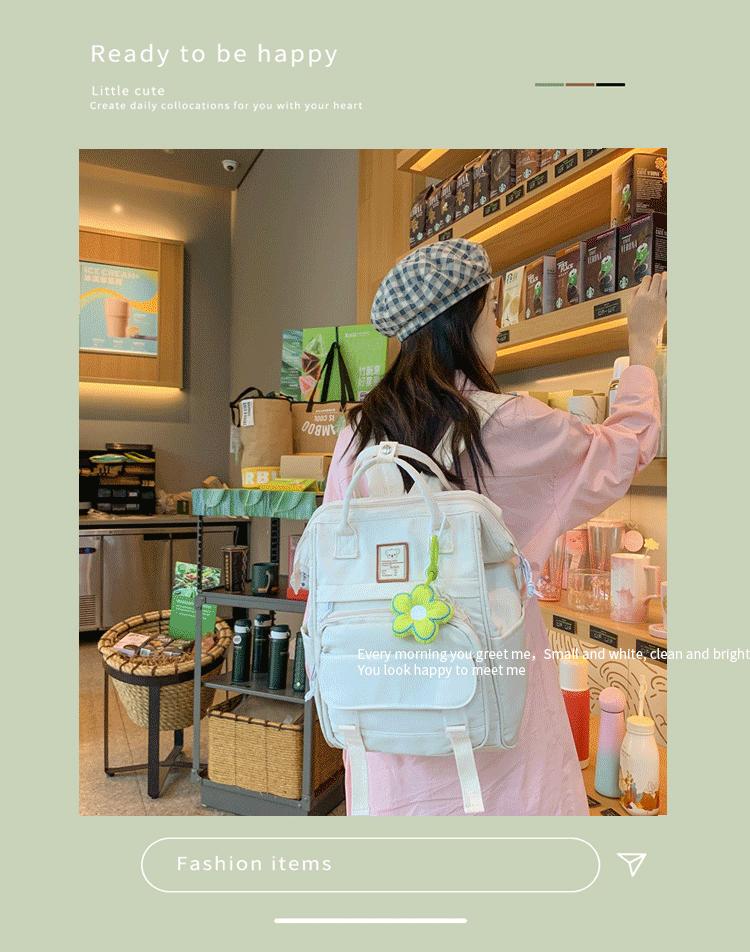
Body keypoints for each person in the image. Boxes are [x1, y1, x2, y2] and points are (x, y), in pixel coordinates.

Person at [323, 238, 666, 816]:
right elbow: (623, 449)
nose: (497, 328)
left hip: (384, 697)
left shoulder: (357, 434)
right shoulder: (506, 424)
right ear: (464, 320)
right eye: (490, 312)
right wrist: (642, 344)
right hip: (488, 704)